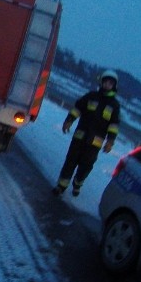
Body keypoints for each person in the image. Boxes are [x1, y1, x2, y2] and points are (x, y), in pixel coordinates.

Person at [53, 69, 121, 197]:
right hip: (79, 137)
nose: (107, 85)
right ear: (102, 83)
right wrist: (69, 120)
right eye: (105, 82)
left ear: (114, 86)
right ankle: (61, 186)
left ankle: (77, 183)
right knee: (70, 162)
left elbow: (114, 125)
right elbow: (77, 108)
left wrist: (110, 141)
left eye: (110, 83)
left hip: (94, 143)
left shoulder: (114, 105)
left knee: (86, 166)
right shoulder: (91, 96)